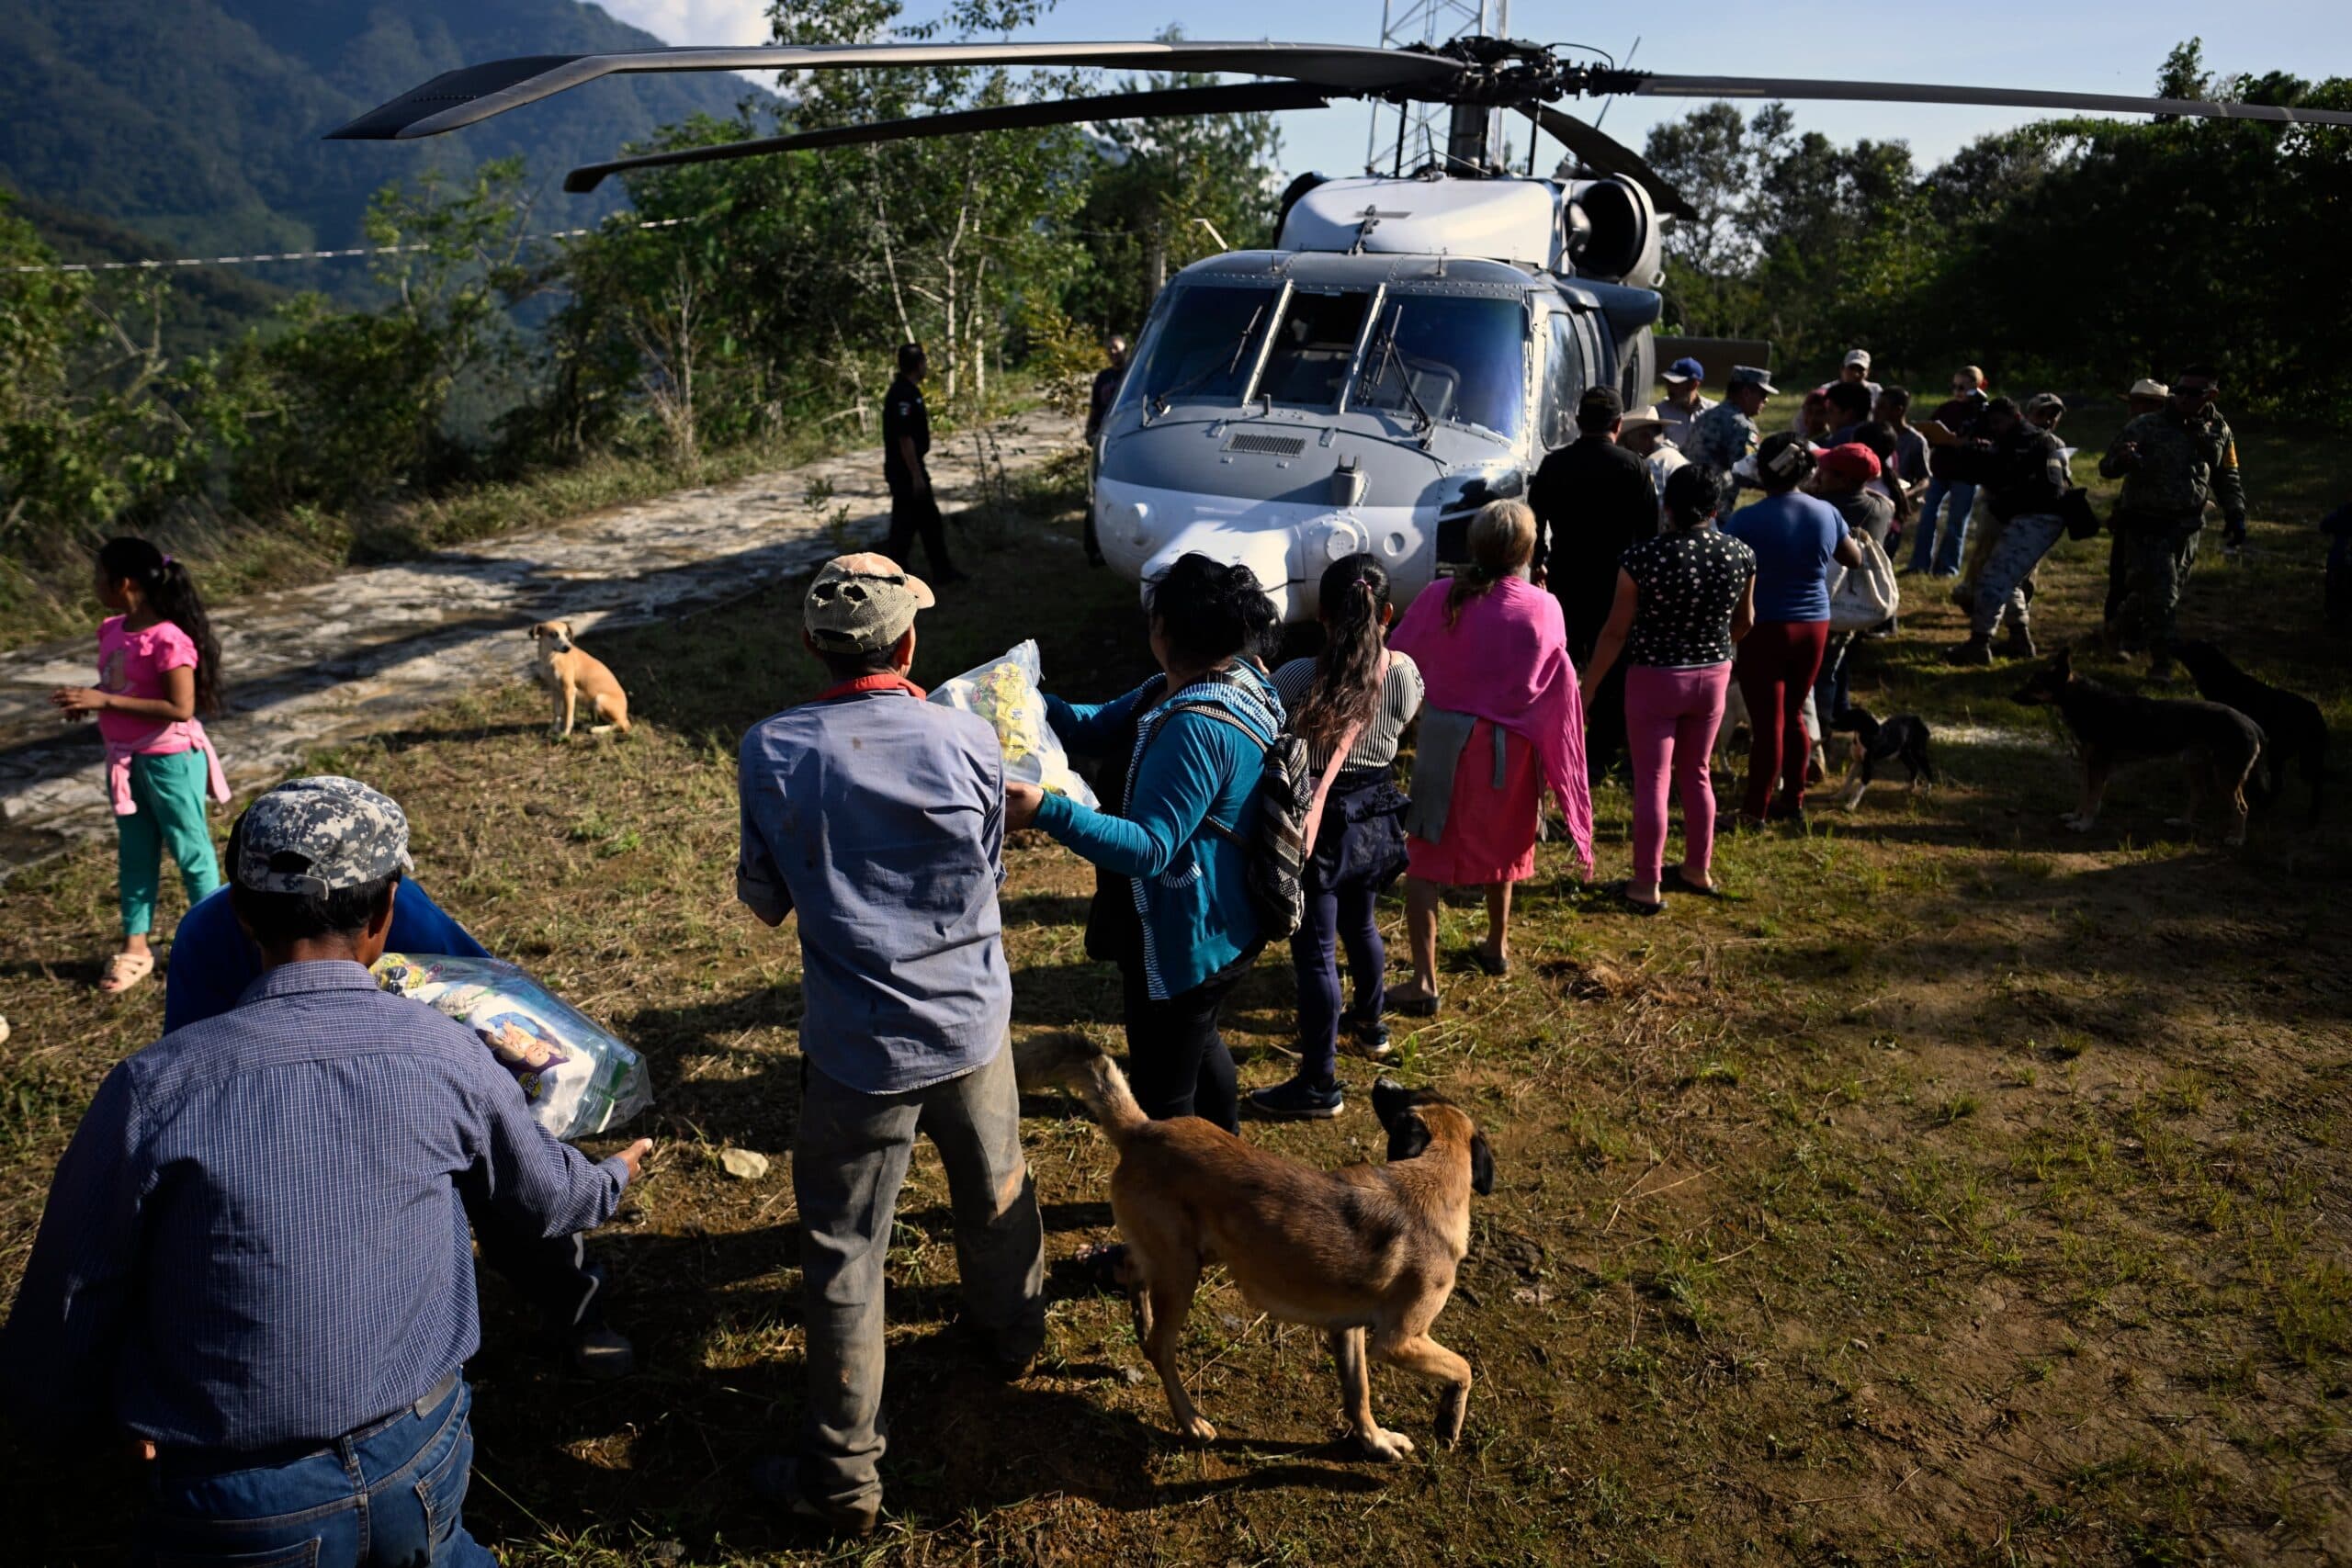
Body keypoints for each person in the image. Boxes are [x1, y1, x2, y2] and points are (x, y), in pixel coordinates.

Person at [2, 775, 647, 1566]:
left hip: (236, 1497)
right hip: (422, 1449)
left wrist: (73, 1422)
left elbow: (72, 1291)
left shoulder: (151, 1088)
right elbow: (550, 1193)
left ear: (241, 910)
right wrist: (610, 1175)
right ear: (383, 916)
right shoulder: (441, 1050)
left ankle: (573, 1307)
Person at [737, 553, 1045, 1535]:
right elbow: (987, 872)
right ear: (909, 642)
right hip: (969, 1025)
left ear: (811, 646)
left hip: (855, 1049)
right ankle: (1010, 1337)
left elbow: (763, 901)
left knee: (843, 1253)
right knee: (997, 1199)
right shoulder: (967, 739)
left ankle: (844, 1480)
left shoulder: (772, 748)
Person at [164, 845, 637, 1378]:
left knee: (507, 1173)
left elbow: (481, 994)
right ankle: (373, 1358)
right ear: (246, 914)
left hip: (412, 1092)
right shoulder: (209, 936)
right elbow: (199, 1086)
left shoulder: (394, 905)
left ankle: (576, 1311)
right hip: (283, 1123)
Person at [1011, 554, 1283, 1134]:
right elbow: (1094, 725)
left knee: (1164, 1096)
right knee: (1201, 1039)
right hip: (1220, 919)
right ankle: (1226, 1158)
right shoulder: (1212, 680)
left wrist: (1046, 812)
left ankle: (1182, 1200)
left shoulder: (1196, 727)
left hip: (1189, 935)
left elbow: (1149, 848)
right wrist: (1023, 703)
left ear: (1164, 630)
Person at [1385, 501, 1593, 1016]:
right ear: (1525, 551)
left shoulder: (1440, 597)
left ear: (1474, 546)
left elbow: (1397, 656)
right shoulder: (1546, 606)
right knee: (1507, 847)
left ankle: (1424, 981)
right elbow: (1552, 673)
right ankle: (1497, 945)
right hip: (1514, 748)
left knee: (1425, 858)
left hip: (1445, 744)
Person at [1248, 554, 1424, 1121]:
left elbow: (1268, 730)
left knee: (1318, 955)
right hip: (1376, 818)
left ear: (1321, 617)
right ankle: (1372, 1025)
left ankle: (1319, 1084)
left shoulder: (1298, 679)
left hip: (1317, 828)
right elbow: (1406, 717)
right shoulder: (1404, 675)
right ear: (1388, 613)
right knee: (1364, 924)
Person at [49, 537, 230, 994]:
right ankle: (136, 947)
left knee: (192, 854)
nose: (92, 584)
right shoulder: (112, 629)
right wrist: (90, 701)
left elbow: (181, 706)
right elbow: (123, 685)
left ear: (123, 582)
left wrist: (104, 699)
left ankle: (213, 945)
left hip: (170, 762)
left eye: (97, 575)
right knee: (135, 855)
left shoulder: (169, 639)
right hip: (126, 765)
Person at [1578, 464, 1756, 914]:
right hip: (1712, 673)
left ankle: (1646, 883)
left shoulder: (1641, 559)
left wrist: (1590, 686)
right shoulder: (1740, 554)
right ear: (1715, 509)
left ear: (1668, 507)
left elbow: (1615, 632)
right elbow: (1747, 622)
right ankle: (1698, 868)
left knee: (1653, 781)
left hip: (1655, 676)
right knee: (1697, 773)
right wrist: (1717, 648)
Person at [1722, 434, 1865, 829]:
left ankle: (1754, 811)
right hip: (1813, 626)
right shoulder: (1826, 513)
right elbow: (1853, 558)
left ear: (1763, 472)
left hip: (1763, 627)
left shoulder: (1746, 519)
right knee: (1797, 714)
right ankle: (1794, 800)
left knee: (1767, 724)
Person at [1530, 384, 1658, 773]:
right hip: (1618, 582)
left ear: (1577, 421)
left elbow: (1534, 524)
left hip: (1566, 576)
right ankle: (1601, 752)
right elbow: (1649, 534)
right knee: (1614, 665)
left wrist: (1538, 565)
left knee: (1561, 663)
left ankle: (1555, 740)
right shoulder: (1634, 467)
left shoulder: (1554, 465)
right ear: (1618, 424)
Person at [2101, 364, 2245, 679]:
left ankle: (2117, 626)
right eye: (2179, 390)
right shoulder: (2146, 425)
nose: (2182, 397)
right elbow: (2107, 466)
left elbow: (2226, 474)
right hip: (2147, 523)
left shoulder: (2219, 430)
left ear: (2211, 395)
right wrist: (2122, 461)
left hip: (2188, 526)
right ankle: (2162, 663)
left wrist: (2235, 512)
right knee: (2164, 595)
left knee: (2160, 592)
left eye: (2192, 392)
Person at [1934, 397, 2073, 666]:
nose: (1994, 428)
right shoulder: (2019, 440)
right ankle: (2020, 640)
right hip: (2030, 516)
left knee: (1993, 578)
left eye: (1998, 422)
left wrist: (1979, 456)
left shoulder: (2030, 441)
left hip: (2037, 517)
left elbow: (2015, 480)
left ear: (2014, 417)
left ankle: (1979, 643)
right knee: (2009, 579)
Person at [1809, 444, 1894, 723]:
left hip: (1826, 602)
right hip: (1856, 603)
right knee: (1838, 659)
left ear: (1844, 480)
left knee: (1821, 670)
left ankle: (1823, 726)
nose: (1818, 474)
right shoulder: (1882, 507)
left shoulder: (1822, 509)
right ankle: (1840, 709)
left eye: (1826, 471)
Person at [882, 344, 965, 584]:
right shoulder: (902, 394)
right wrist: (916, 475)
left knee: (924, 524)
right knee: (907, 527)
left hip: (910, 467)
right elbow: (904, 438)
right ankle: (893, 576)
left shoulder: (909, 390)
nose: (926, 367)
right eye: (925, 362)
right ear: (918, 364)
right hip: (906, 469)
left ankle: (940, 572)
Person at [2103, 379, 2173, 637]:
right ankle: (2114, 632)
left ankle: (2142, 634)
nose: (2132, 408)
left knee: (2156, 583)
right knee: (2121, 577)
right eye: (2132, 402)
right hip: (2133, 515)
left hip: (2167, 519)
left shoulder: (2178, 433)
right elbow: (2107, 468)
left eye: (2139, 403)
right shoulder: (2132, 431)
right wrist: (2123, 460)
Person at [1908, 367, 1989, 576]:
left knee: (1956, 522)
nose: (1957, 392)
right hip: (1940, 470)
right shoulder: (1946, 409)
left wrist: (1964, 442)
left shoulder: (1984, 412)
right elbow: (1930, 431)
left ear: (1977, 386)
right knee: (1927, 516)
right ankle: (1919, 564)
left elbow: (1990, 441)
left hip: (1966, 474)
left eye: (1962, 387)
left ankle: (1948, 568)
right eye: (1954, 387)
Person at [1686, 366, 1776, 514]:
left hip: (1688, 496)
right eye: (1763, 394)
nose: (1766, 400)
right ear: (1746, 393)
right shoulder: (1742, 425)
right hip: (1715, 505)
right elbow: (1748, 471)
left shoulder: (1705, 416)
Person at [1081, 335, 1130, 567]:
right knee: (1095, 491)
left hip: (1125, 438)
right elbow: (1095, 406)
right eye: (1109, 349)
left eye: (1117, 349)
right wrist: (1089, 429)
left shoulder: (1133, 374)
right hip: (1104, 437)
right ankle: (1094, 548)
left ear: (1125, 350)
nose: (1113, 353)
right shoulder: (1103, 377)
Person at [1875, 388, 1931, 507]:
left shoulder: (1915, 441)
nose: (1875, 411)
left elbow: (1924, 479)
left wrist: (1907, 495)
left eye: (1882, 407)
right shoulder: (1875, 434)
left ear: (1898, 410)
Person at [1621, 404, 1689, 501]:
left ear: (1645, 436)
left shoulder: (1654, 464)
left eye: (1629, 444)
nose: (1629, 449)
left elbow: (1656, 507)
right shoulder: (1676, 457)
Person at [1657, 355, 1713, 451]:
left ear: (1694, 385)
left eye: (1675, 384)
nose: (1669, 388)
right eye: (1667, 382)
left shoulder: (1713, 412)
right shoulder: (1658, 413)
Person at [1822, 379, 1873, 444]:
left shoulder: (1845, 436)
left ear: (1849, 414)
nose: (1826, 419)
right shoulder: (1874, 436)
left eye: (1831, 411)